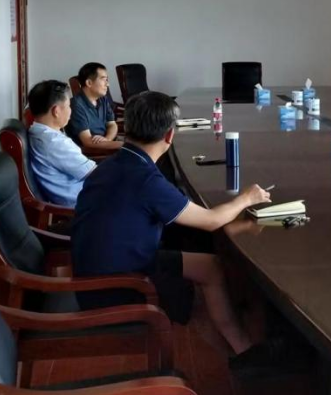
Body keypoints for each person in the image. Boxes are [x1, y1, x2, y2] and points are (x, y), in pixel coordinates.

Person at [71, 91, 279, 371]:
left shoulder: (113, 165)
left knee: (210, 266)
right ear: (170, 135)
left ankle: (244, 350)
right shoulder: (146, 179)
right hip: (117, 285)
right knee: (199, 293)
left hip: (97, 270)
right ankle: (242, 354)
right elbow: (211, 221)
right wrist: (247, 198)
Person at [27, 80, 96, 207]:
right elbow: (95, 173)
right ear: (56, 111)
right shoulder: (54, 142)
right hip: (84, 201)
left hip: (84, 192)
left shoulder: (37, 132)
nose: (71, 110)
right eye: (69, 105)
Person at [68, 62, 122, 151]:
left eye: (107, 80)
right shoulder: (76, 104)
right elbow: (88, 142)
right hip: (94, 152)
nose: (107, 84)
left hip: (107, 144)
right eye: (104, 80)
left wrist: (107, 139)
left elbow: (112, 124)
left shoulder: (103, 99)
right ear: (89, 83)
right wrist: (125, 145)